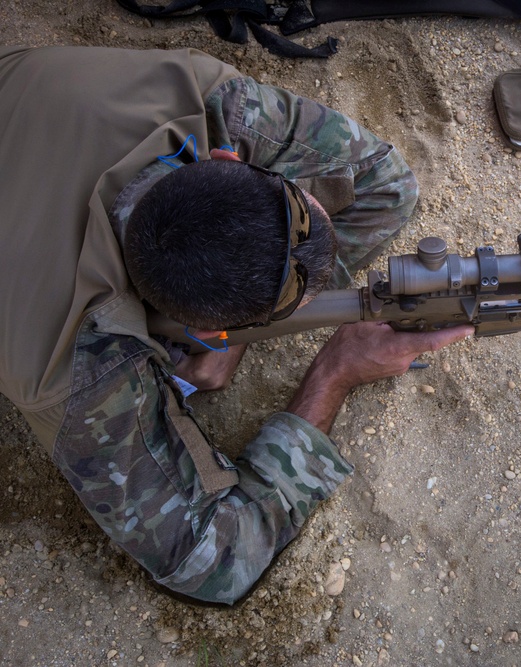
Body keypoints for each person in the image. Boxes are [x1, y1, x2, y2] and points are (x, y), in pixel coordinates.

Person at [0, 45, 471, 604]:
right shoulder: (70, 366)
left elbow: (383, 182)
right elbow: (215, 564)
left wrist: (245, 332)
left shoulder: (213, 102)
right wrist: (333, 374)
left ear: (226, 158)